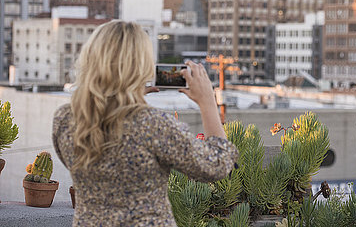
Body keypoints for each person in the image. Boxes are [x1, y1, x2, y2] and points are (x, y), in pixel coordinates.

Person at [52, 20, 238, 226]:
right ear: (141, 67)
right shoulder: (154, 125)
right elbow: (217, 166)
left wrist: (124, 98)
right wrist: (208, 103)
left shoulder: (65, 119)